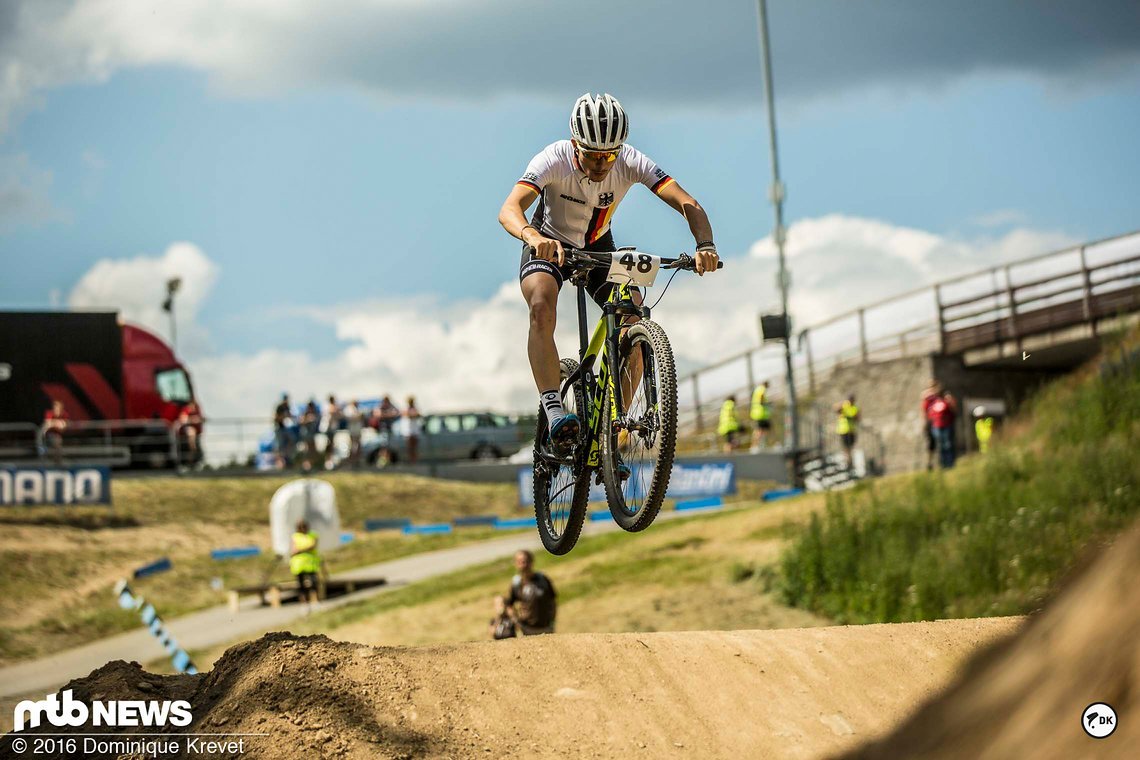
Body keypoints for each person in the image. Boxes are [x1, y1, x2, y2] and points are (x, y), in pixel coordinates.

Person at [497, 93, 720, 459]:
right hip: (549, 244)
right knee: (540, 305)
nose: (602, 164)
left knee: (633, 313)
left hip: (599, 248)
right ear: (574, 145)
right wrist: (533, 237)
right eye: (592, 155)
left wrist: (705, 245)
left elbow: (688, 203)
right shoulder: (552, 159)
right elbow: (509, 209)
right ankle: (554, 405)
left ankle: (614, 425)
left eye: (609, 156)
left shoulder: (631, 160)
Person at [505, 550, 556, 636]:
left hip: (545, 628)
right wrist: (517, 622)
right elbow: (509, 605)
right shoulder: (516, 583)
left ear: (531, 562)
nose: (523, 564)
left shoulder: (543, 580)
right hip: (527, 629)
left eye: (525, 561)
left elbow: (553, 600)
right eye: (520, 562)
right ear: (516, 564)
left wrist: (552, 620)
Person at [290, 519, 323, 612]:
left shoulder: (313, 534)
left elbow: (312, 546)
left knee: (314, 583)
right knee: (301, 585)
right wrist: (305, 549)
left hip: (311, 563)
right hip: (299, 565)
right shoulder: (295, 536)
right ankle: (304, 604)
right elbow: (293, 551)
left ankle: (316, 602)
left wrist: (300, 549)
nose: (303, 529)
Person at [927, 390, 958, 469]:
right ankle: (943, 464)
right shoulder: (934, 404)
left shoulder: (946, 403)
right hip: (937, 427)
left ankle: (950, 463)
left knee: (947, 445)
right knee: (941, 446)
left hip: (946, 427)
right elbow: (930, 415)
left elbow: (953, 412)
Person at [920, 379, 940, 471]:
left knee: (939, 441)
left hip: (938, 420)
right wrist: (924, 422)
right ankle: (930, 463)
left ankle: (939, 461)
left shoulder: (938, 396)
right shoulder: (928, 397)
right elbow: (923, 410)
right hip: (931, 422)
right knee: (931, 444)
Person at [836, 395, 860, 470]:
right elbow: (836, 409)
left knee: (850, 447)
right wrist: (843, 404)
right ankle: (848, 462)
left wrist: (852, 417)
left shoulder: (855, 408)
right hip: (843, 430)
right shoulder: (844, 405)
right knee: (846, 447)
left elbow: (858, 418)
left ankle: (850, 462)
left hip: (851, 430)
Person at [177, 400, 204, 466]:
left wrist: (199, 419)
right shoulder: (186, 410)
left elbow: (202, 419)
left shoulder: (197, 410)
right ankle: (192, 449)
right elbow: (183, 419)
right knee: (191, 431)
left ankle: (193, 456)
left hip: (197, 437)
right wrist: (193, 420)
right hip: (185, 438)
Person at [42, 399, 68, 465]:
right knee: (56, 440)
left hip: (59, 434)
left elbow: (63, 426)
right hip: (49, 433)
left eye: (58, 406)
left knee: (57, 441)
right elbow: (47, 424)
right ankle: (57, 462)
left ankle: (57, 462)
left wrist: (54, 423)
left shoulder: (64, 414)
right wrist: (57, 423)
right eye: (55, 406)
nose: (56, 408)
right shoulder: (49, 413)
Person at [273, 394, 294, 469]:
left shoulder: (287, 406)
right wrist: (283, 417)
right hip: (279, 429)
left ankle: (287, 460)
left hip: (285, 429)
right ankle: (279, 464)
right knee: (279, 446)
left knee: (290, 442)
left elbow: (290, 416)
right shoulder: (280, 407)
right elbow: (276, 418)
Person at [749, 381, 771, 451]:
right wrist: (765, 403)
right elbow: (761, 398)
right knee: (759, 430)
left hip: (759, 414)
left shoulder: (757, 389)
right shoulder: (761, 389)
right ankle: (755, 446)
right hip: (760, 414)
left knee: (762, 429)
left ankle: (759, 445)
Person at [322, 394, 342, 467]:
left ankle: (330, 461)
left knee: (331, 444)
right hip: (327, 428)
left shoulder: (332, 406)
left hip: (332, 428)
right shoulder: (327, 406)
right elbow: (333, 411)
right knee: (328, 444)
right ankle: (327, 461)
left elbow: (339, 414)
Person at [402, 396, 423, 464]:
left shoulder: (415, 408)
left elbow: (418, 415)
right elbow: (409, 415)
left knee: (414, 448)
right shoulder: (406, 409)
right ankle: (411, 460)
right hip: (409, 431)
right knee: (410, 448)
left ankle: (414, 461)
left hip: (415, 431)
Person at [345, 399, 364, 468]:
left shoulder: (358, 409)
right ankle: (351, 461)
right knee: (352, 446)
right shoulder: (349, 409)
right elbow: (352, 417)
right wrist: (358, 416)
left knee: (358, 445)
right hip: (352, 430)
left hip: (358, 430)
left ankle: (357, 461)